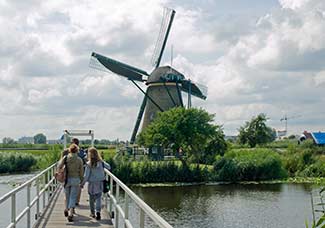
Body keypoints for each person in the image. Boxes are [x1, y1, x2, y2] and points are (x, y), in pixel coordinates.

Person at [81, 147, 111, 220]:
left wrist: (82, 184)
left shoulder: (89, 164)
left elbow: (86, 176)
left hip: (92, 184)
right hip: (100, 182)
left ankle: (92, 213)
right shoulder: (101, 162)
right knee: (98, 198)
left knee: (91, 199)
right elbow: (109, 167)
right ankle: (98, 211)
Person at [58, 143, 84, 222]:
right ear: (77, 150)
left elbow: (59, 166)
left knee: (67, 195)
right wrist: (81, 180)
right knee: (73, 196)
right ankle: (71, 213)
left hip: (67, 179)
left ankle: (66, 208)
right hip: (75, 180)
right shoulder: (79, 160)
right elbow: (81, 172)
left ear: (70, 150)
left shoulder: (66, 158)